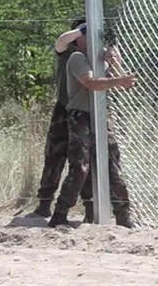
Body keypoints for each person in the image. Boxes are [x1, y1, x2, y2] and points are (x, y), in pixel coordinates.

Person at [48, 26, 138, 229]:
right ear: (80, 40)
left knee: (112, 163)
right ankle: (60, 213)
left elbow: (121, 82)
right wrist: (119, 80)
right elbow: (91, 83)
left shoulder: (100, 59)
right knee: (80, 166)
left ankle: (123, 214)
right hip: (80, 115)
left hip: (100, 115)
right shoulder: (77, 58)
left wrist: (114, 61)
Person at [26, 18, 93, 220]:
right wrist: (84, 28)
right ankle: (44, 203)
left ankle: (90, 207)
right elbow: (61, 41)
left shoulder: (95, 54)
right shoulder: (69, 53)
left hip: (86, 111)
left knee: (84, 159)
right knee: (54, 155)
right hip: (64, 109)